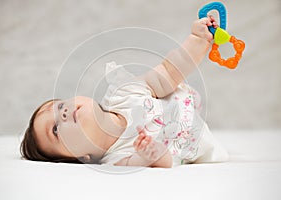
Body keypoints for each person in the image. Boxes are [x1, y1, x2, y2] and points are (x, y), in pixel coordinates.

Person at [20, 16, 229, 168]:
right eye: (55, 129)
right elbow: (161, 162)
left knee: (168, 80)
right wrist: (149, 156)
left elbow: (169, 70)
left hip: (184, 101)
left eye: (59, 106)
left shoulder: (124, 94)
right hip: (198, 141)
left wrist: (197, 39)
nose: (63, 112)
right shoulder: (117, 160)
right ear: (80, 157)